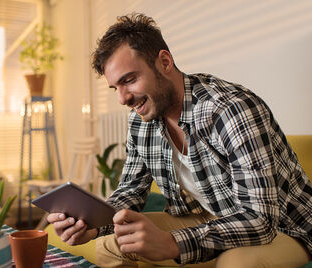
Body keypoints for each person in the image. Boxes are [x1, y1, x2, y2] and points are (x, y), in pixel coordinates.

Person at [47, 13, 312, 267]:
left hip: (286, 227)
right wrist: (92, 224)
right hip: (211, 217)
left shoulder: (230, 109)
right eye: (116, 87)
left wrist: (175, 243)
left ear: (164, 62)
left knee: (237, 263)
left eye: (129, 80)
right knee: (112, 245)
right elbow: (131, 190)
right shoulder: (141, 121)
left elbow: (260, 219)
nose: (123, 99)